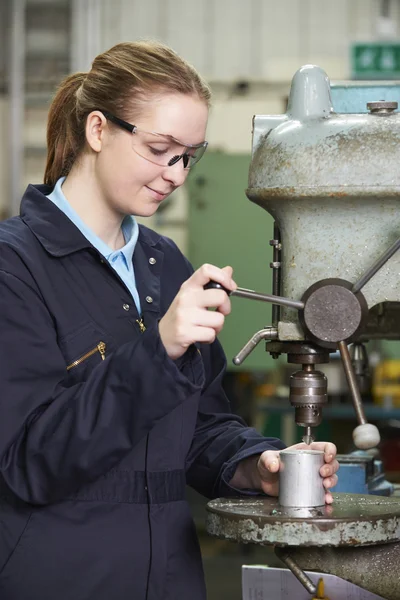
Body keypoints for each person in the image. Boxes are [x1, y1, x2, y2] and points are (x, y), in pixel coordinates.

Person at [0, 41, 339, 600]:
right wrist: (157, 348)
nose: (177, 175)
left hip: (171, 578)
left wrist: (254, 464)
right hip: (60, 577)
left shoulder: (164, 265)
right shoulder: (15, 266)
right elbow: (30, 462)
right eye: (160, 149)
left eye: (190, 155)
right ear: (98, 130)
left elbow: (198, 427)